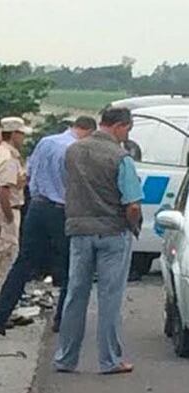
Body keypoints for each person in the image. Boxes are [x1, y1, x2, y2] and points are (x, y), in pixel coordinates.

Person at [0, 116, 97, 334]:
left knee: (24, 262)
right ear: (88, 131)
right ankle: (62, 319)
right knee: (69, 265)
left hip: (37, 207)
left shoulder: (46, 142)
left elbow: (28, 174)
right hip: (60, 210)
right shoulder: (77, 150)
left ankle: (0, 314)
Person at [53, 107, 143, 375]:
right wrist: (132, 225)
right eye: (128, 129)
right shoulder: (121, 157)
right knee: (109, 298)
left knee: (75, 295)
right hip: (113, 232)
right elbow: (133, 204)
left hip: (79, 230)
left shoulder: (73, 151)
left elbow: (67, 186)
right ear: (119, 126)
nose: (127, 134)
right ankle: (109, 360)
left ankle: (66, 358)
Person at [0, 118, 30, 326]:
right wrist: (9, 217)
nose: (24, 138)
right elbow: (3, 190)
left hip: (10, 210)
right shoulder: (8, 157)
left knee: (8, 260)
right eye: (22, 134)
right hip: (8, 211)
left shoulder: (5, 154)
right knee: (4, 261)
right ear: (14, 134)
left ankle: (4, 307)